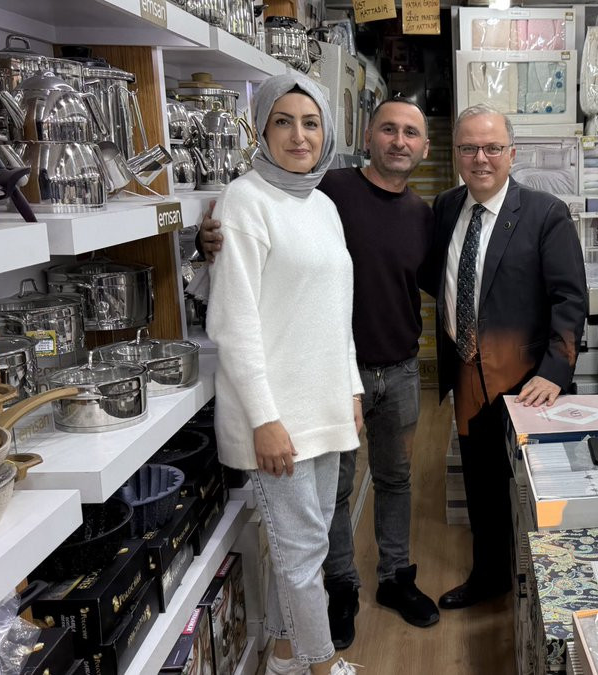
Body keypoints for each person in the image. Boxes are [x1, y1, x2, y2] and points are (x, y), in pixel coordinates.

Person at [199, 98, 439, 647]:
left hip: (399, 368)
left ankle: (395, 578)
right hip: (332, 375)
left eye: (411, 133)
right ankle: (342, 586)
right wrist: (205, 241)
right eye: (388, 129)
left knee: (396, 479)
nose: (399, 141)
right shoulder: (327, 189)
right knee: (335, 494)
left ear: (425, 148)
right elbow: (252, 243)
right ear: (367, 136)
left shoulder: (421, 215)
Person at [205, 72, 362, 675]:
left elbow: (336, 312)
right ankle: (322, 666)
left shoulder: (323, 205)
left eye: (311, 123)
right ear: (262, 130)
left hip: (324, 405)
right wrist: (264, 419)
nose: (299, 136)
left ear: (326, 132)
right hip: (278, 417)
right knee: (302, 551)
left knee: (309, 544)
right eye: (284, 121)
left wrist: (350, 388)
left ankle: (285, 656)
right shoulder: (244, 200)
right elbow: (233, 324)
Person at [427, 104, 588, 609]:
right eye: (469, 148)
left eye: (492, 148)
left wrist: (556, 371)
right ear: (456, 154)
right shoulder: (445, 208)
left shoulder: (545, 214)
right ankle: (490, 577)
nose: (481, 158)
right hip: (468, 376)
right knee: (482, 485)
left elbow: (570, 299)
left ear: (512, 154)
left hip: (527, 382)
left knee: (536, 491)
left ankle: (549, 591)